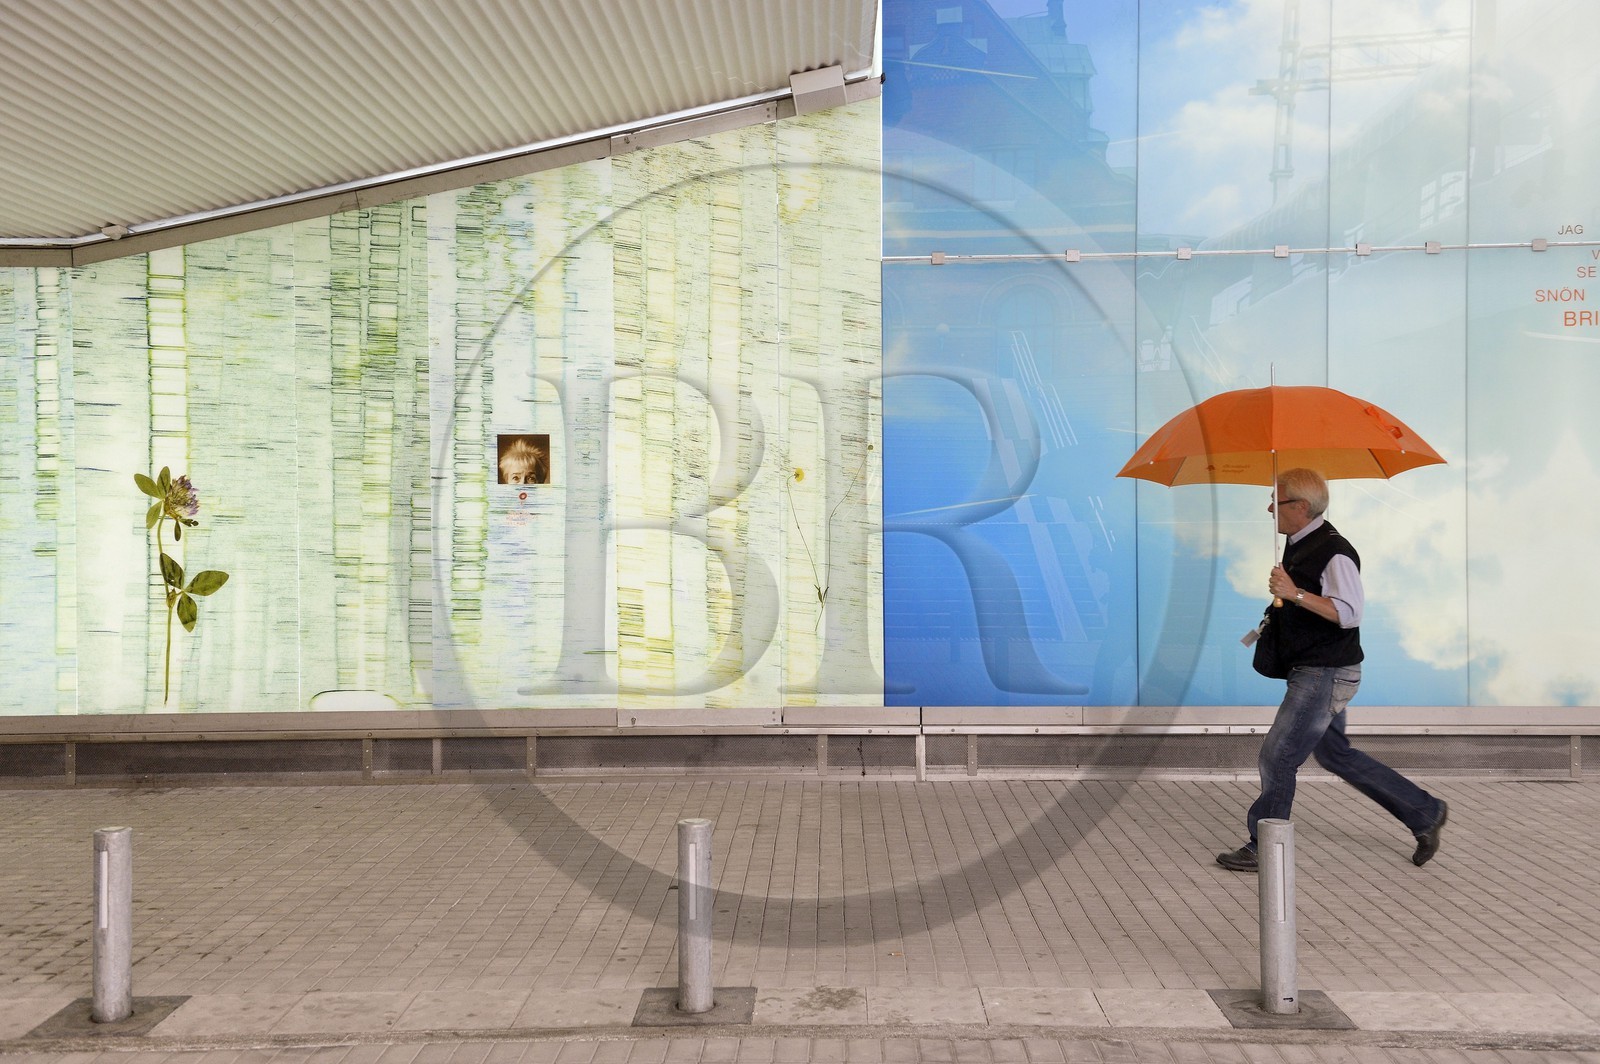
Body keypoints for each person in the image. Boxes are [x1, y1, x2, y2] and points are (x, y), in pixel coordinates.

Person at [1216, 467, 1448, 872]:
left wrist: (1295, 593)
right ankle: (1424, 812)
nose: (1270, 508)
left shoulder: (1334, 551)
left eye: (1277, 500)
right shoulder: (1297, 542)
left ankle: (1264, 847)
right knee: (1335, 754)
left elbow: (1349, 612)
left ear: (1301, 506)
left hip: (1325, 673)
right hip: (1317, 668)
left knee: (1277, 756)